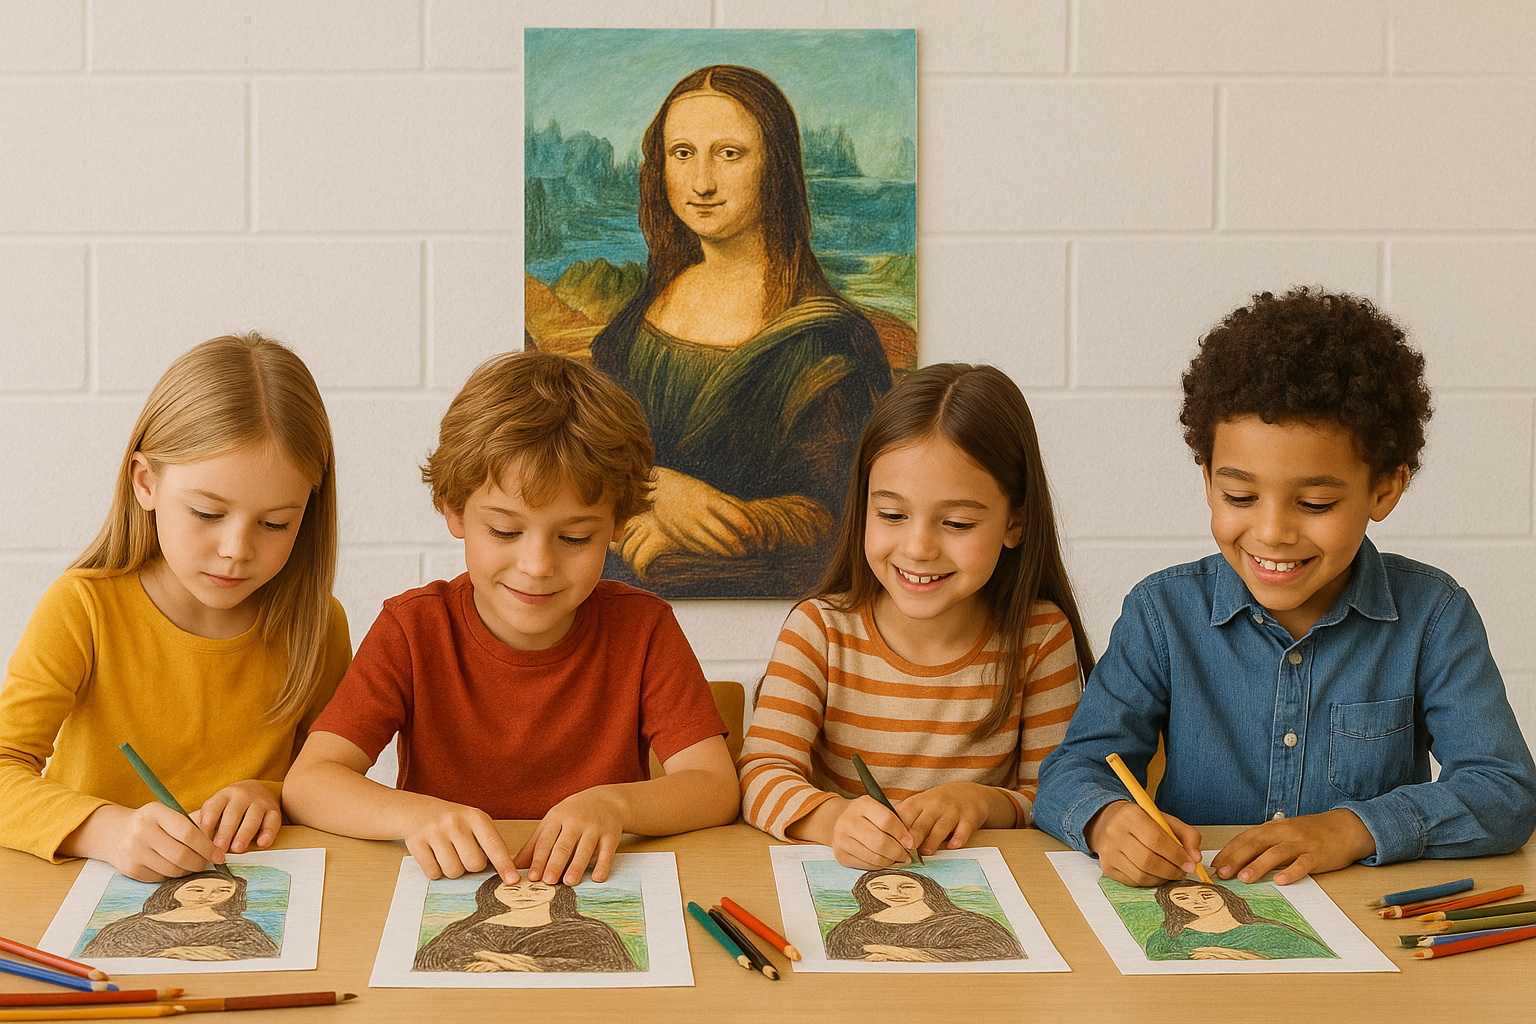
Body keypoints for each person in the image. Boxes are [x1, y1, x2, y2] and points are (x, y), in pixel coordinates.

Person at [1034, 287, 1536, 887]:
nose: (1272, 533)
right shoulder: (1161, 612)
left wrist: (1353, 828)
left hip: (1367, 931)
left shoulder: (1433, 615)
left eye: (1316, 502)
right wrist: (1106, 819)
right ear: (1207, 478)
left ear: (1384, 490)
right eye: (1240, 497)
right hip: (1202, 915)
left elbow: (1505, 792)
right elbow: (1073, 769)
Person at [282, 351, 739, 888]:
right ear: (454, 509)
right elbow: (309, 782)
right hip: (448, 895)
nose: (538, 565)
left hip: (598, 893)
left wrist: (616, 806)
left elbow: (714, 784)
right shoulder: (412, 629)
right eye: (504, 531)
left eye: (574, 538)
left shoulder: (645, 629)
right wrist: (415, 816)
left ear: (617, 525)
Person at [0, 335, 350, 882]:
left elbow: (328, 779)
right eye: (208, 513)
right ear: (146, 483)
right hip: (83, 899)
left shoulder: (317, 624)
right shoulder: (83, 608)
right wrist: (104, 829)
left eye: (275, 523)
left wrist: (274, 794)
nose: (237, 549)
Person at [738, 363, 1091, 868]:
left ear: (1015, 522)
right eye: (891, 515)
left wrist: (977, 801)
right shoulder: (819, 630)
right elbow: (759, 775)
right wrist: (834, 818)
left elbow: (1056, 797)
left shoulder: (1039, 636)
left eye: (956, 522)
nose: (919, 547)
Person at [591, 63, 893, 599]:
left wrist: (707, 529)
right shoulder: (634, 325)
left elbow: (846, 512)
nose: (702, 182)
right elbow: (585, 463)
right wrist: (658, 489)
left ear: (774, 167)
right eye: (682, 153)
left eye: (729, 154)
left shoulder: (827, 340)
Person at [413, 875, 636, 973]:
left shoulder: (590, 932)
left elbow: (615, 968)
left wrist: (528, 964)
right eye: (512, 889)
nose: (524, 895)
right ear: (492, 893)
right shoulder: (465, 930)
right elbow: (431, 962)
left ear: (558, 894)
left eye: (538, 889)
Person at [823, 868, 1022, 962]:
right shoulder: (854, 927)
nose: (894, 893)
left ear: (927, 889)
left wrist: (905, 954)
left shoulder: (967, 923)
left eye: (907, 886)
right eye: (880, 888)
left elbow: (999, 953)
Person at [81, 870, 280, 961]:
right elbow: (99, 956)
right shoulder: (129, 927)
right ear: (172, 891)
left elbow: (266, 956)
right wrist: (165, 954)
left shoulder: (243, 928)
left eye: (222, 891)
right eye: (196, 890)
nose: (208, 896)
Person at [1142, 879, 1334, 961]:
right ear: (1173, 906)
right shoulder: (1168, 937)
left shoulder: (1271, 932)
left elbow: (1317, 957)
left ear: (1226, 896)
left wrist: (1237, 955)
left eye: (1207, 895)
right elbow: (1156, 959)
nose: (1197, 901)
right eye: (1183, 898)